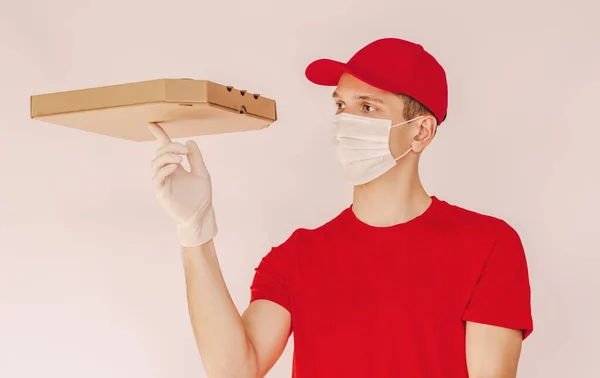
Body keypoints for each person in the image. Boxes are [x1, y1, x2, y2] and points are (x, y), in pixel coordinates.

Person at [148, 37, 533, 378]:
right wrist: (194, 231)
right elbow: (235, 369)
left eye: (367, 108)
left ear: (420, 131)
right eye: (340, 106)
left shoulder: (488, 244)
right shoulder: (295, 257)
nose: (346, 121)